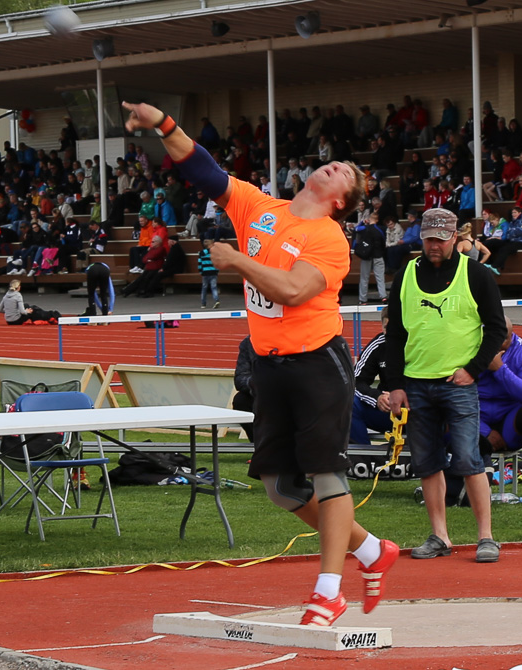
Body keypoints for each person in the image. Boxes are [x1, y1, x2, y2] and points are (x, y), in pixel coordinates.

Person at [122, 100, 396, 627]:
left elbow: (294, 291)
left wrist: (237, 260)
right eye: (334, 161)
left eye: (345, 172)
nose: (334, 166)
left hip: (318, 364)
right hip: (268, 365)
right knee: (280, 488)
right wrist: (162, 124)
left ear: (341, 199)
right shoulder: (260, 208)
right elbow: (201, 168)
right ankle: (368, 551)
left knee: (325, 475)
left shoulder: (329, 239)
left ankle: (329, 591)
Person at [383, 208, 505, 564]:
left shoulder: (477, 274)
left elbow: (497, 329)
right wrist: (396, 384)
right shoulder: (406, 274)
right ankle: (439, 536)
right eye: (428, 239)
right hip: (416, 385)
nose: (433, 245)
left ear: (455, 238)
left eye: (440, 238)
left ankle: (487, 538)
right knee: (426, 463)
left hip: (458, 383)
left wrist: (473, 369)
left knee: (469, 459)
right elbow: (394, 333)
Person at [478, 317, 522, 455]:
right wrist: (484, 431)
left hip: (510, 426)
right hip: (472, 422)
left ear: (512, 336)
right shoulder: (465, 348)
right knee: (435, 402)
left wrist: (500, 369)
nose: (496, 344)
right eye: (492, 338)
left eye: (503, 339)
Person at [350, 312, 393, 446]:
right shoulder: (378, 345)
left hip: (417, 411)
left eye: (396, 326)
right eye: (387, 327)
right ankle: (363, 458)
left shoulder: (421, 343)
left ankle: (445, 460)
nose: (391, 331)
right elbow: (356, 380)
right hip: (387, 411)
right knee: (349, 404)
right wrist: (378, 397)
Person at [353, 211, 387, 305]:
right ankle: (383, 296)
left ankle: (363, 299)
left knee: (364, 278)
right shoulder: (380, 230)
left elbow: (356, 229)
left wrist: (362, 222)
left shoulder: (364, 228)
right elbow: (383, 242)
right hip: (378, 255)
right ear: (377, 220)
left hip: (366, 255)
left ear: (369, 219)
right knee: (380, 277)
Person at [231, 336, 257, 442]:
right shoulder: (249, 342)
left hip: (289, 392)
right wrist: (260, 384)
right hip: (260, 392)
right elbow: (240, 378)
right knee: (240, 400)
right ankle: (259, 445)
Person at [197, 232, 220, 309]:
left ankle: (203, 303)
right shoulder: (215, 252)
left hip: (205, 272)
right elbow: (217, 262)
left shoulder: (201, 253)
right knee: (214, 287)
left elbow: (200, 263)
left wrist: (201, 271)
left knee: (204, 288)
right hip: (213, 271)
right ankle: (216, 300)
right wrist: (217, 270)